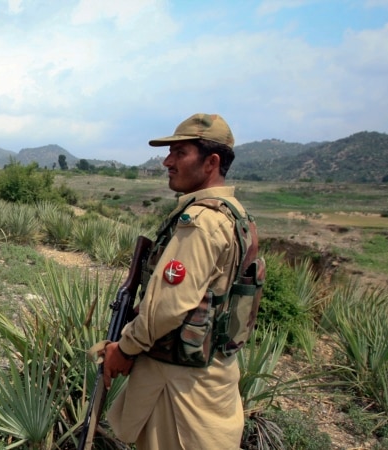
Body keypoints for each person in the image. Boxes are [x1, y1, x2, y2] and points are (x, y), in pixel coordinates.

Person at [101, 113, 248, 449]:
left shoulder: (201, 221)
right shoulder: (232, 212)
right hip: (207, 376)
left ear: (211, 162)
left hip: (182, 387)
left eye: (180, 153)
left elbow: (168, 306)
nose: (167, 161)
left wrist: (124, 348)